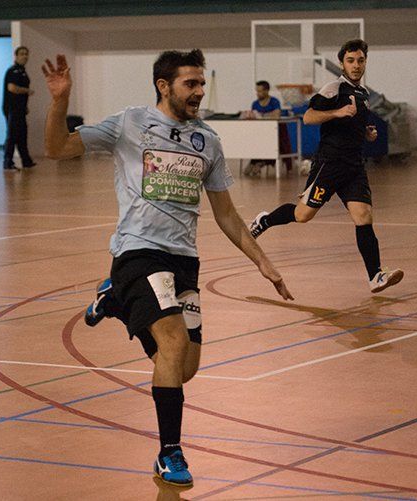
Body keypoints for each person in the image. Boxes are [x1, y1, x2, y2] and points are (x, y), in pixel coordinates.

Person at [42, 50, 293, 487]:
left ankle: (115, 300)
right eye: (190, 84)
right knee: (173, 345)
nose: (199, 91)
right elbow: (56, 148)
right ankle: (169, 452)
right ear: (164, 86)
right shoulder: (130, 124)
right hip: (138, 252)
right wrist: (60, 100)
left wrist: (263, 261)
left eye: (201, 83)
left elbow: (227, 214)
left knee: (184, 367)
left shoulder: (208, 140)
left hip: (184, 260)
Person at [248, 39, 404, 294]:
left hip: (354, 166)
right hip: (329, 164)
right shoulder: (334, 88)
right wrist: (336, 112)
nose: (356, 65)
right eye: (351, 61)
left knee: (363, 216)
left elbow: (352, 124)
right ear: (342, 63)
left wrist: (367, 132)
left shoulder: (363, 94)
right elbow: (309, 117)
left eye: (361, 60)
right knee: (303, 215)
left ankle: (375, 276)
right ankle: (265, 220)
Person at [3, 46, 36, 170]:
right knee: (12, 135)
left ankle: (26, 160)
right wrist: (27, 91)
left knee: (22, 134)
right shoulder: (13, 71)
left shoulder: (23, 71)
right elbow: (11, 88)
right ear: (16, 56)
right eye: (22, 54)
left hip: (20, 109)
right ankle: (7, 162)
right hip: (12, 108)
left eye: (26, 54)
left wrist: (25, 106)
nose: (25, 56)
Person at [244, 80, 284, 176]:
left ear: (267, 91)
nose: (257, 93)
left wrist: (262, 115)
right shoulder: (255, 103)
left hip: (272, 134)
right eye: (256, 91)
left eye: (260, 91)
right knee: (246, 172)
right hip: (258, 134)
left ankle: (264, 162)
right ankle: (255, 160)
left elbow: (277, 114)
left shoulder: (274, 102)